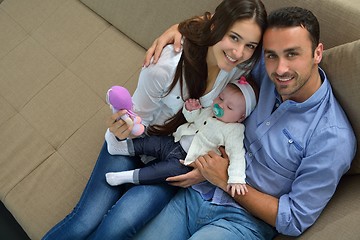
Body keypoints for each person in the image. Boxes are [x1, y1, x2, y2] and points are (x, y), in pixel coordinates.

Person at [42, 0, 267, 239]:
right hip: (135, 142)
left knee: (118, 225)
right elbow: (137, 124)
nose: (238, 53)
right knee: (85, 221)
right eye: (234, 38)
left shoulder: (240, 67)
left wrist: (203, 171)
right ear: (215, 27)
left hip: (177, 157)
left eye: (250, 45)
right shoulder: (165, 66)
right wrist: (122, 127)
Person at [134, 6, 357, 239]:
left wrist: (224, 179)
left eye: (292, 54)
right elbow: (225, 31)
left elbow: (293, 219)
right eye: (271, 55)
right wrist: (180, 30)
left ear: (317, 52)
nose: (280, 69)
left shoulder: (333, 139)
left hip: (243, 222)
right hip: (197, 192)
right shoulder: (263, 68)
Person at [105, 79, 257, 197]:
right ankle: (120, 147)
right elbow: (193, 119)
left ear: (241, 117)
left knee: (159, 172)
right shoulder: (210, 111)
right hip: (175, 141)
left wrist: (236, 178)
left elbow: (237, 155)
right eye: (221, 98)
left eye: (229, 107)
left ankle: (124, 177)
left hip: (186, 162)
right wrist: (190, 109)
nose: (221, 106)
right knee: (150, 143)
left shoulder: (234, 130)